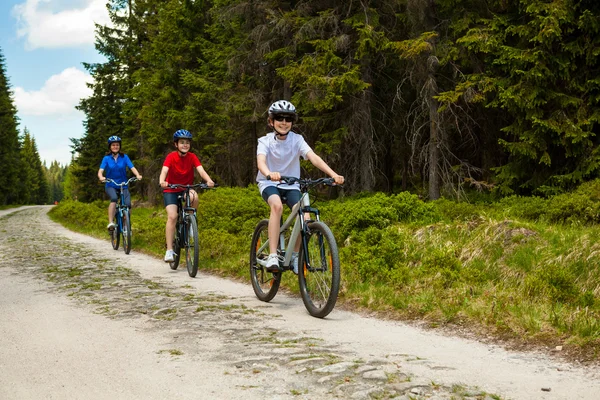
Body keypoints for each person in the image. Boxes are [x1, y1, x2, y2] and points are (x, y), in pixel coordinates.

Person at [256, 100, 344, 273]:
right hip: (269, 183)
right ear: (271, 121)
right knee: (277, 206)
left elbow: (313, 157)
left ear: (292, 122)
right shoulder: (265, 141)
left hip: (291, 185)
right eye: (279, 118)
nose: (283, 122)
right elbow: (261, 162)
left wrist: (333, 174)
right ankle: (273, 254)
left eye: (288, 119)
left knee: (305, 217)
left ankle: (295, 255)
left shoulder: (297, 140)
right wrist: (269, 173)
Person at [159, 129, 215, 262]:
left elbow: (201, 170)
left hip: (186, 188)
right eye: (182, 142)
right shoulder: (171, 157)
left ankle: (190, 222)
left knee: (194, 196)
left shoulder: (192, 156)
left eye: (187, 143)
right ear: (176, 144)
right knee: (172, 216)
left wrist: (209, 180)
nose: (185, 145)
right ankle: (169, 250)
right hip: (171, 189)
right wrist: (162, 181)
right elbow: (164, 171)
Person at [97, 136, 143, 231]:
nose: (115, 147)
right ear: (110, 146)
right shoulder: (106, 158)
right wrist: (101, 177)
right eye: (113, 145)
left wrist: (138, 175)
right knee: (114, 198)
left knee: (128, 204)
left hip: (123, 185)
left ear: (120, 146)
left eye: (117, 145)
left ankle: (126, 225)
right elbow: (100, 171)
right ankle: (111, 222)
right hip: (111, 185)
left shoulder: (124, 157)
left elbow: (132, 167)